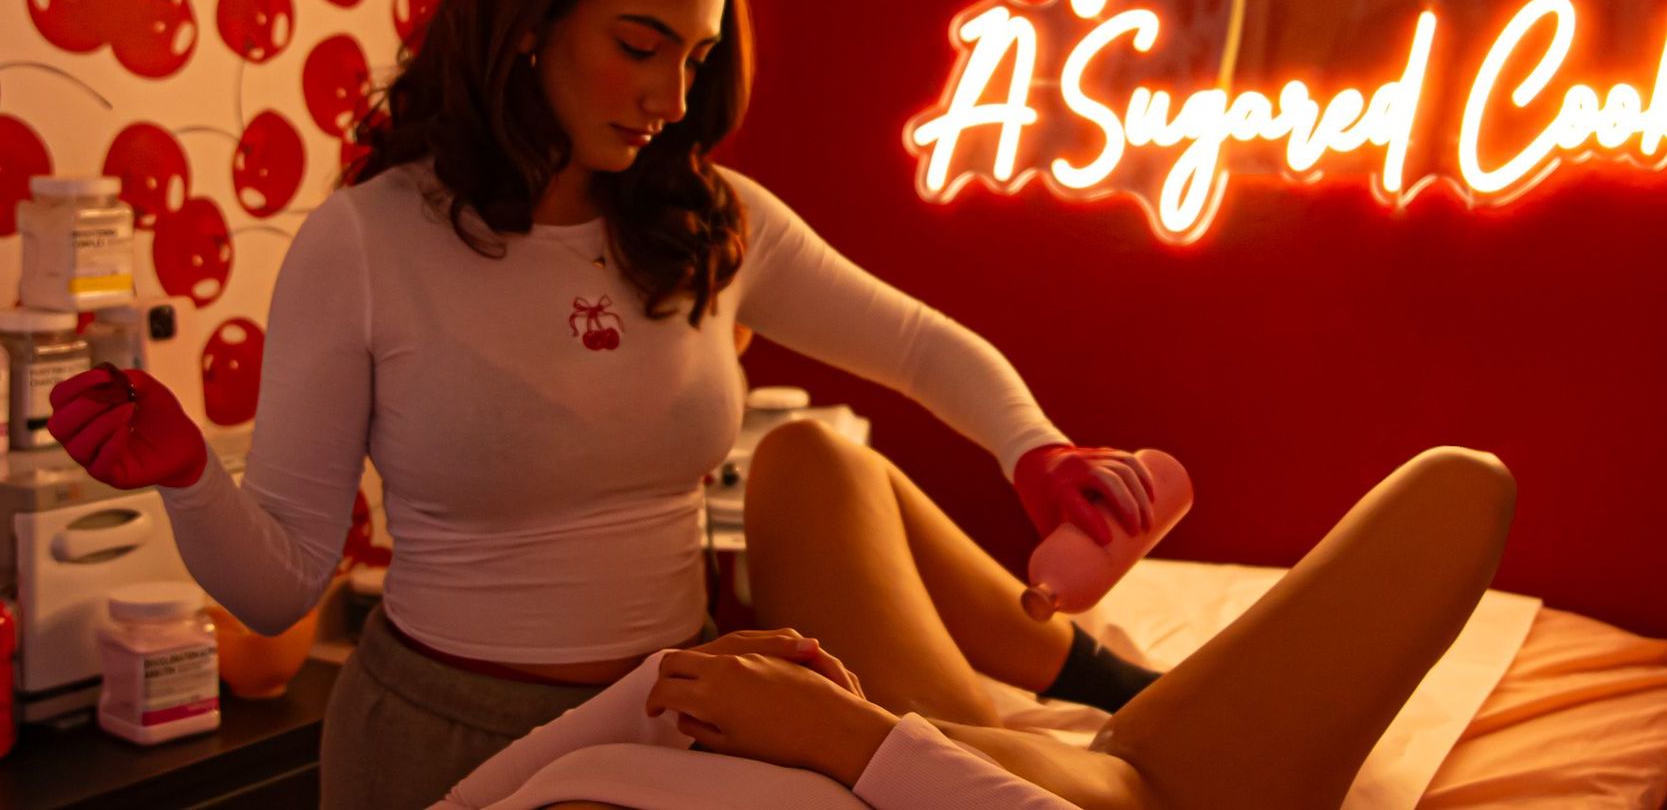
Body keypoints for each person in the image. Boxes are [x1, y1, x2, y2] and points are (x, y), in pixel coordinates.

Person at [48, 0, 1161, 807]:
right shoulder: (370, 243)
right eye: (640, 44)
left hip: (671, 715)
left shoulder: (706, 223)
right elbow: (282, 580)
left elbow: (919, 344)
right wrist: (190, 472)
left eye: (696, 54)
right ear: (531, 20)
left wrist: (1033, 447)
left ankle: (1099, 694)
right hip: (446, 733)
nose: (673, 94)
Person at [434, 426, 1517, 809]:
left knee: (808, 458)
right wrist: (842, 738)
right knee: (1459, 488)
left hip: (882, 724)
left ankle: (1102, 674)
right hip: (1115, 794)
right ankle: (1148, 715)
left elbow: (485, 786)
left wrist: (678, 674)